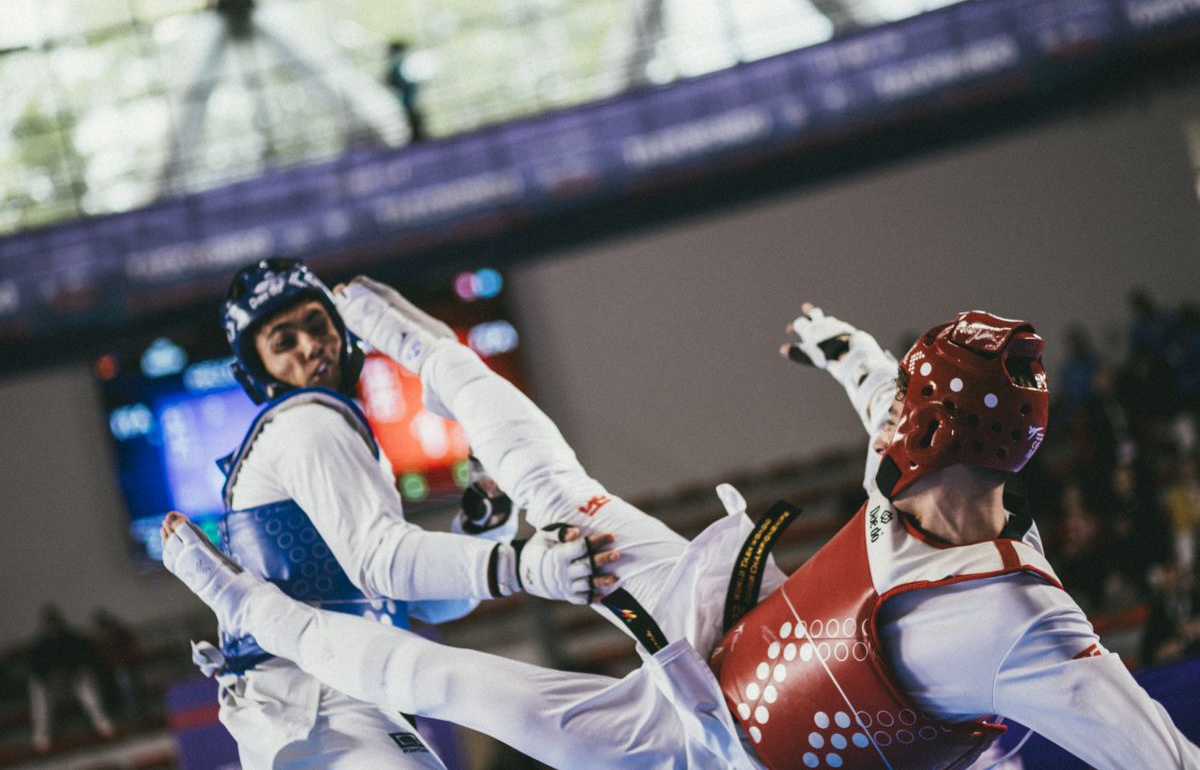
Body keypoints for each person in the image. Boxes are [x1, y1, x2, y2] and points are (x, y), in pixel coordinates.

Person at [162, 279, 1200, 769]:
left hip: (713, 754)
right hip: (746, 617)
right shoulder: (918, 476)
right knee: (556, 495)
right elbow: (890, 389)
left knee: (462, 683)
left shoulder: (1026, 622)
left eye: (906, 405)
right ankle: (426, 346)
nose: (887, 419)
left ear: (932, 429)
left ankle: (255, 611)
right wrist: (841, 348)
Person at [197, 258, 619, 769]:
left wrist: (487, 525)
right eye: (284, 342)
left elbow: (425, 603)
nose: (310, 347)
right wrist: (528, 565)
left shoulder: (321, 431)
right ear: (257, 369)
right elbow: (384, 562)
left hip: (331, 707)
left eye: (316, 324)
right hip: (318, 708)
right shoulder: (307, 424)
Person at [26, 606, 116, 753]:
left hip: (73, 681)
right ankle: (42, 734)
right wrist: (52, 676)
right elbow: (36, 669)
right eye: (49, 623)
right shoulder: (39, 645)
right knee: (37, 690)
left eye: (54, 622)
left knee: (86, 682)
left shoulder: (72, 638)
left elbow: (85, 659)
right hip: (52, 686)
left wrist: (69, 672)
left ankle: (101, 721)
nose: (52, 626)